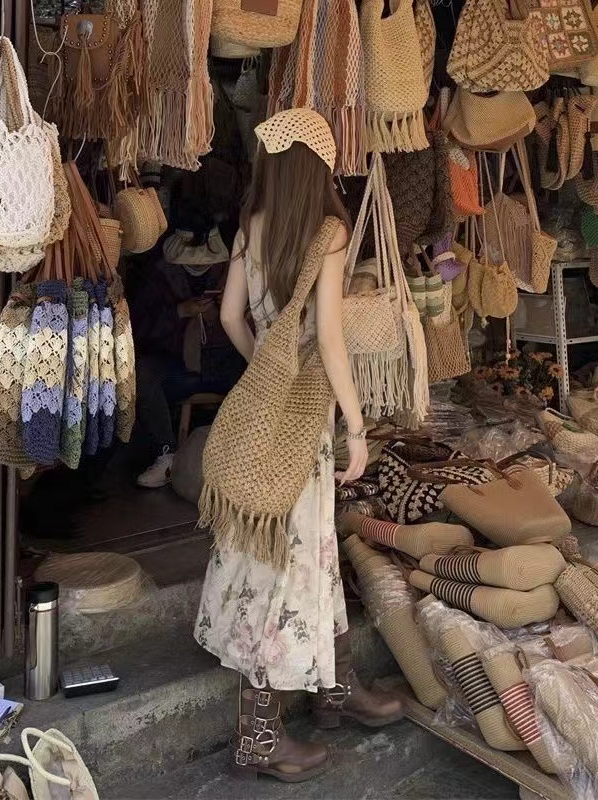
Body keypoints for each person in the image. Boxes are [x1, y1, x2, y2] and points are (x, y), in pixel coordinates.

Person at [193, 109, 403, 783]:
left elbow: (229, 314)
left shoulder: (249, 227)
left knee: (291, 557)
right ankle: (258, 735)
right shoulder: (331, 232)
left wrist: (265, 370)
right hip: (305, 423)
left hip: (263, 422)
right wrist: (357, 427)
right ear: (319, 166)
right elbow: (333, 341)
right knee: (287, 568)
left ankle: (334, 690)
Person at [131, 229, 246, 488]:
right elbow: (139, 330)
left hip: (224, 366)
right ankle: (167, 454)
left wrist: (221, 317)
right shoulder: (159, 278)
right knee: (143, 373)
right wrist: (179, 312)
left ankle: (241, 459)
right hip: (180, 368)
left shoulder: (231, 271)